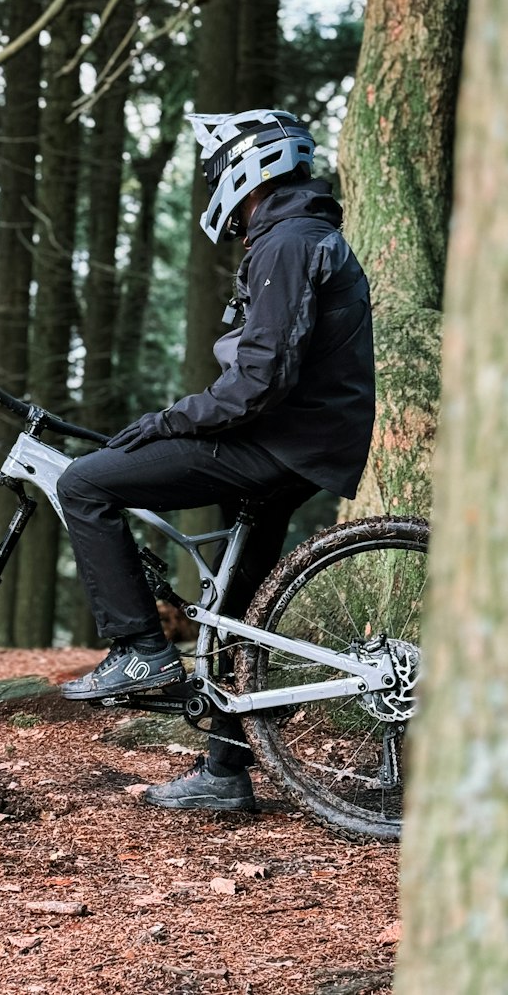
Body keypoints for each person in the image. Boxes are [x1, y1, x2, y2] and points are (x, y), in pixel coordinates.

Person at [56, 108, 375, 811]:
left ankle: (141, 647)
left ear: (250, 167)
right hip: (299, 442)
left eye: (216, 172)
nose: (213, 190)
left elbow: (260, 379)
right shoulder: (296, 233)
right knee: (238, 608)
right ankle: (226, 775)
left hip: (277, 443)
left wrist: (167, 420)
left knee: (84, 484)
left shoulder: (289, 240)